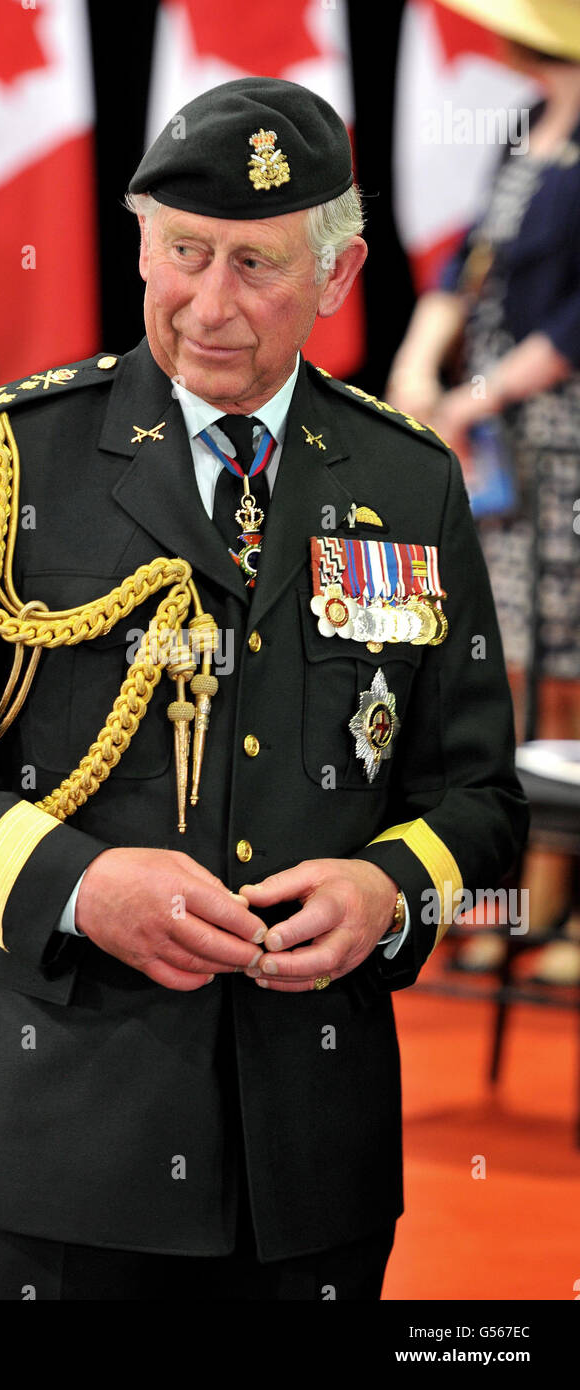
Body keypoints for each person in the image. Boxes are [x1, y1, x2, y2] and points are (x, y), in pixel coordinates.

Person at [0, 77, 528, 1301]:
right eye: (181, 253)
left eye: (255, 265)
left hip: (310, 1163)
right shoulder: (8, 457)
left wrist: (386, 885)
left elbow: (477, 799)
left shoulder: (407, 484)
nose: (208, 305)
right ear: (138, 242)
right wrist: (80, 884)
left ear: (340, 276)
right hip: (53, 1151)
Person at [386, 0, 580, 982]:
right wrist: (419, 368)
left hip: (561, 429)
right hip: (495, 435)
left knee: (567, 663)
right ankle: (495, 885)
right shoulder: (519, 128)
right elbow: (462, 264)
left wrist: (473, 393)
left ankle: (552, 909)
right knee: (496, 648)